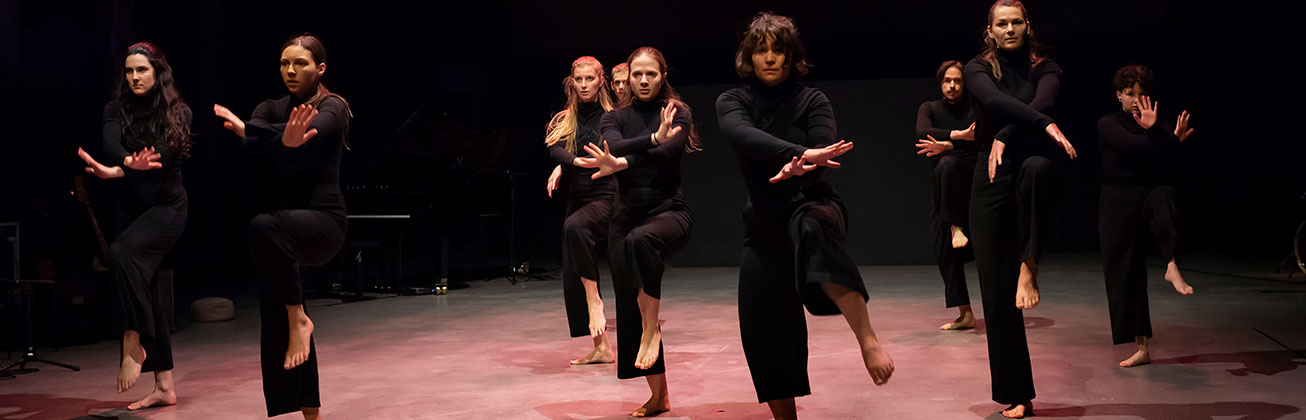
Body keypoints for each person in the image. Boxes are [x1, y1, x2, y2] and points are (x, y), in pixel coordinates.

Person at [716, 12, 893, 419]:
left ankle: (867, 339)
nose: (771, 58)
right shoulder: (733, 100)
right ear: (749, 57)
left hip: (814, 204)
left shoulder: (812, 99)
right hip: (764, 219)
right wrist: (793, 154)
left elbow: (823, 149)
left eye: (779, 50)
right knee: (762, 323)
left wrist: (803, 164)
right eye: (761, 51)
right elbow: (741, 134)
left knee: (810, 229)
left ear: (793, 56)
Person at [213, 33, 352, 420]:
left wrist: (266, 136)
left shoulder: (334, 106)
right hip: (280, 230)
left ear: (320, 68)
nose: (291, 70)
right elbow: (251, 139)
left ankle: (299, 318)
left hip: (322, 223)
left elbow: (313, 133)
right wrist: (274, 137)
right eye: (284, 63)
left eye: (301, 64)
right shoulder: (272, 107)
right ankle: (307, 412)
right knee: (273, 307)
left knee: (261, 228)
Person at [963, 1, 1077, 417]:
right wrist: (1038, 122)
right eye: (1001, 24)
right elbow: (994, 102)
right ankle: (1017, 392)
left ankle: (1029, 264)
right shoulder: (977, 68)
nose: (1009, 29)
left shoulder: (1046, 66)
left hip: (1029, 159)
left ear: (1028, 26)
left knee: (1038, 169)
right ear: (989, 30)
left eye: (1016, 22)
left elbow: (1040, 100)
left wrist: (1009, 135)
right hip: (989, 171)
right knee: (995, 291)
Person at [77, 41, 192, 411]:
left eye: (141, 70)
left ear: (158, 72)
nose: (134, 77)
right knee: (149, 289)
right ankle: (164, 386)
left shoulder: (179, 113)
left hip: (166, 208)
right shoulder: (116, 108)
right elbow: (110, 142)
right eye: (129, 71)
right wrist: (125, 162)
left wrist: (121, 169)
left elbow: (161, 154)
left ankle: (131, 340)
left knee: (121, 253)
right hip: (131, 207)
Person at [586, 46, 697, 417]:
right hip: (625, 216)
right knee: (629, 304)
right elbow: (614, 145)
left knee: (642, 241)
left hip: (668, 212)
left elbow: (669, 153)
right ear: (628, 79)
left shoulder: (676, 112)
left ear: (663, 76)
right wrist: (651, 140)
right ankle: (659, 395)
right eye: (637, 75)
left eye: (651, 74)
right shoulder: (615, 118)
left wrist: (624, 162)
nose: (644, 80)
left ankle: (653, 328)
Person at [1097, 64, 1195, 368]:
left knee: (1165, 195)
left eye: (1142, 94)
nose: (1137, 99)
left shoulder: (1159, 124)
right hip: (1117, 197)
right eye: (1130, 94)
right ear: (1119, 96)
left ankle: (1171, 264)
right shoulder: (1108, 123)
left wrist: (1161, 135)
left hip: (1148, 191)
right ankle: (1142, 347)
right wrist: (1160, 136)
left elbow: (1172, 157)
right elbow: (1136, 146)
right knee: (1125, 272)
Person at [544, 56, 618, 365]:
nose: (585, 84)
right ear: (572, 81)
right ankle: (602, 347)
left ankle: (594, 300)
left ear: (601, 80)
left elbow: (621, 146)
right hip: (579, 194)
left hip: (608, 194)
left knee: (575, 228)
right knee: (572, 264)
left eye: (590, 79)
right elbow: (554, 147)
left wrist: (601, 161)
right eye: (579, 79)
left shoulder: (613, 117)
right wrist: (569, 163)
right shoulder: (568, 117)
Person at [915, 60, 979, 330]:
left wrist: (949, 144)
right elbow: (921, 133)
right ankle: (965, 314)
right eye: (947, 81)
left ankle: (956, 225)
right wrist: (959, 134)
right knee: (944, 251)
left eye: (958, 81)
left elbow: (982, 138)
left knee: (948, 161)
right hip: (944, 189)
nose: (952, 85)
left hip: (973, 184)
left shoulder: (975, 107)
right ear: (940, 83)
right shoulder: (929, 108)